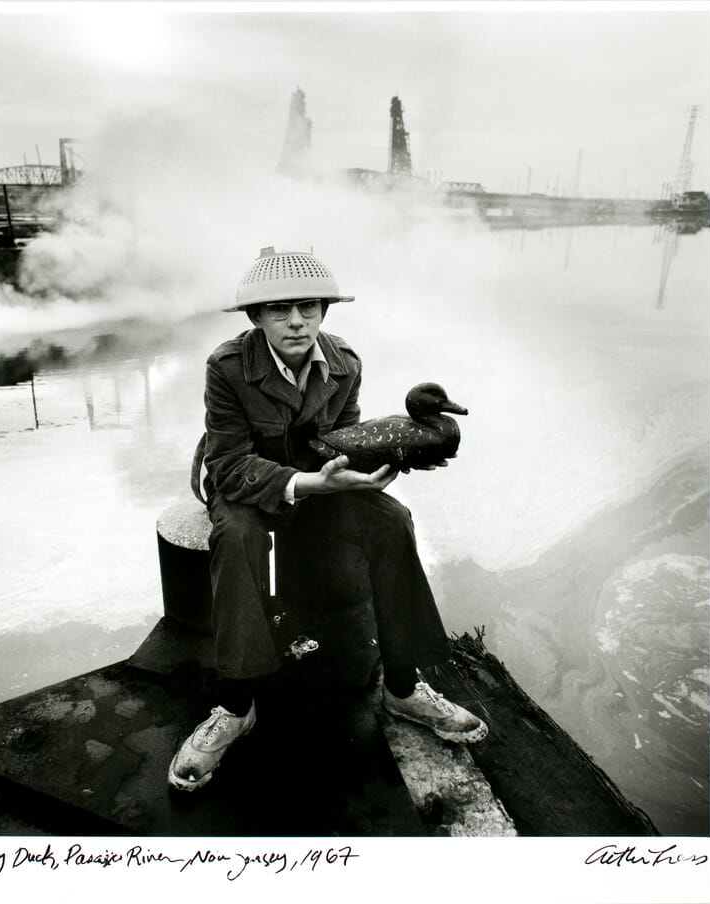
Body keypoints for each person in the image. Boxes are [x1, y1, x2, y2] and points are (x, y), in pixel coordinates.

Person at [168, 246, 487, 792]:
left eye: (310, 307)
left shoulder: (345, 364)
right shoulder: (226, 368)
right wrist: (310, 484)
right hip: (246, 485)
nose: (297, 321)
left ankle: (404, 687)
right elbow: (228, 463)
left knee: (391, 518)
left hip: (320, 481)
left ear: (324, 311)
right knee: (238, 534)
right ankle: (236, 706)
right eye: (280, 310)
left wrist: (372, 466)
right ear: (256, 318)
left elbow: (340, 440)